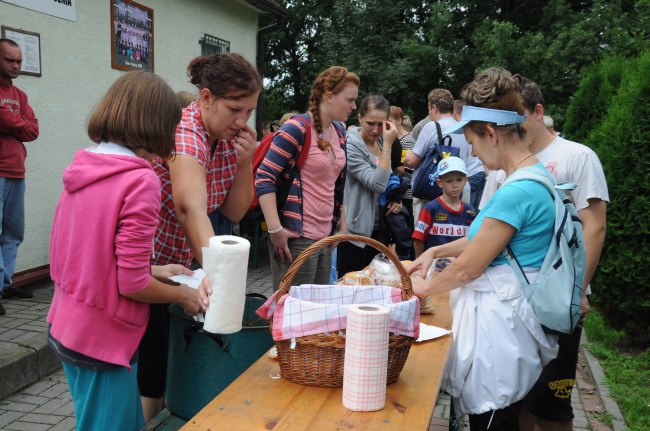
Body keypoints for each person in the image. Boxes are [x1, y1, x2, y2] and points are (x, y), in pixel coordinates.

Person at [47, 71, 208, 431]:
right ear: (158, 124)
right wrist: (185, 295)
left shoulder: (85, 164)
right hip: (103, 344)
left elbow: (88, 257)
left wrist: (156, 269)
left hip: (66, 328)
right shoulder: (140, 179)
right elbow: (130, 285)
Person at [408, 67, 559, 430]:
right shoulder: (529, 177)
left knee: (494, 420)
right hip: (507, 330)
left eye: (473, 141)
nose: (472, 150)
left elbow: (469, 268)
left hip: (501, 341)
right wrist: (434, 252)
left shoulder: (518, 189)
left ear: (491, 133)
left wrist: (421, 289)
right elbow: (485, 238)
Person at [141, 52, 261, 420]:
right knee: (150, 361)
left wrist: (245, 162)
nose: (242, 121)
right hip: (146, 260)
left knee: (166, 354)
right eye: (234, 109)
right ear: (206, 98)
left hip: (178, 262)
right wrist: (218, 278)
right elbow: (189, 208)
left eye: (249, 111)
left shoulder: (228, 138)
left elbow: (234, 212)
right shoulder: (186, 131)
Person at [511, 74, 608, 431]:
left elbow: (594, 226)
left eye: (517, 114)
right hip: (515, 299)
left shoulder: (578, 156)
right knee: (518, 398)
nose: (510, 124)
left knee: (553, 403)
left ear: (538, 112)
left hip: (559, 300)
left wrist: (577, 290)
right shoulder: (510, 160)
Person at [256, 66, 359, 290]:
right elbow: (264, 177)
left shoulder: (339, 132)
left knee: (315, 314)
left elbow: (336, 183)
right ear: (329, 96)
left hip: (325, 236)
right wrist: (275, 230)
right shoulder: (297, 128)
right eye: (350, 100)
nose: (354, 106)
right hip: (296, 237)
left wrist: (341, 226)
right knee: (292, 313)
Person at [337, 95, 402, 276]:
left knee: (375, 288)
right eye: (370, 123)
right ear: (359, 118)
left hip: (379, 229)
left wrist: (395, 199)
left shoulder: (382, 141)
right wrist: (388, 145)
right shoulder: (350, 145)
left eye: (381, 124)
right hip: (354, 233)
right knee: (351, 289)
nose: (376, 130)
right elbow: (378, 184)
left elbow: (390, 180)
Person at [0, 38, 39, 316]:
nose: (15, 65)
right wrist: (17, 124)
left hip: (16, 170)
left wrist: (12, 124)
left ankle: (5, 284)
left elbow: (33, 130)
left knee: (14, 233)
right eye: (9, 60)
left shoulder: (20, 96)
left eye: (18, 61)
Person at [404, 89, 483, 221]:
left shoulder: (432, 127)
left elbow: (411, 161)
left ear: (434, 108)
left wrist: (402, 149)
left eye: (429, 108)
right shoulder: (462, 128)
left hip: (432, 191)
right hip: (461, 190)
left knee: (428, 236)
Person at [412, 156, 476, 257]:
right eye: (449, 181)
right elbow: (418, 239)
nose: (455, 185)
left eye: (459, 180)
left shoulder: (471, 212)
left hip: (459, 267)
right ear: (440, 183)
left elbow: (473, 242)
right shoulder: (430, 209)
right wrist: (419, 264)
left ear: (466, 180)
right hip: (433, 267)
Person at [389, 105, 417, 234]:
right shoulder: (395, 139)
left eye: (389, 120)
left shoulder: (408, 141)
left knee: (405, 228)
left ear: (399, 121)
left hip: (405, 193)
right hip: (397, 190)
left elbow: (404, 168)